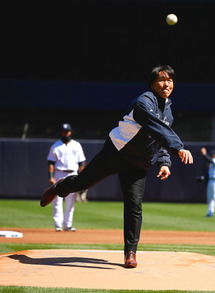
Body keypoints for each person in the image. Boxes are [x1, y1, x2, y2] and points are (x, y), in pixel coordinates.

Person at [40, 65, 194, 268]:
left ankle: (130, 253)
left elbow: (161, 137)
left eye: (170, 80)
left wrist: (165, 162)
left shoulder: (168, 110)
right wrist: (178, 147)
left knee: (134, 207)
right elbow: (155, 127)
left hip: (138, 163)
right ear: (152, 83)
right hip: (116, 153)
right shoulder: (144, 102)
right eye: (162, 79)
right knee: (82, 182)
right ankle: (59, 188)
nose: (167, 83)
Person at [47, 123, 86, 232]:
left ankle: (68, 225)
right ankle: (58, 225)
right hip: (59, 173)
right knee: (57, 201)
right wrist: (51, 177)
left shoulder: (76, 145)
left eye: (67, 131)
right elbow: (50, 163)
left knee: (70, 201)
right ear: (61, 132)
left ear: (70, 131)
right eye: (64, 131)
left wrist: (81, 177)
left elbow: (81, 163)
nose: (66, 133)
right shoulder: (55, 146)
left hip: (73, 174)